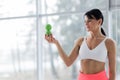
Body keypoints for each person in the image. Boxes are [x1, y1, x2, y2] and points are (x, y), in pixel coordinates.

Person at [45, 9, 116, 80]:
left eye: (89, 21)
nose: (86, 24)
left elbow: (112, 72)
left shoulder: (109, 43)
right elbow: (68, 62)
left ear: (99, 21)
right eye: (85, 21)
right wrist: (56, 43)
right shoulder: (80, 41)